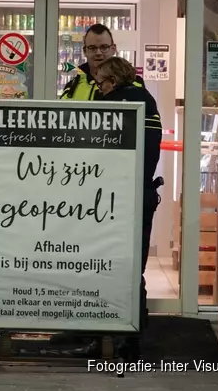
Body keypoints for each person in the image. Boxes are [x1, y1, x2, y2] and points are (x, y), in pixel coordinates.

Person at [94, 56, 163, 360]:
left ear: (111, 81)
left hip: (115, 195)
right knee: (134, 269)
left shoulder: (117, 102)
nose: (99, 89)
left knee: (106, 267)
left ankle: (108, 339)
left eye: (100, 84)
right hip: (143, 192)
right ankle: (131, 340)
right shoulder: (147, 99)